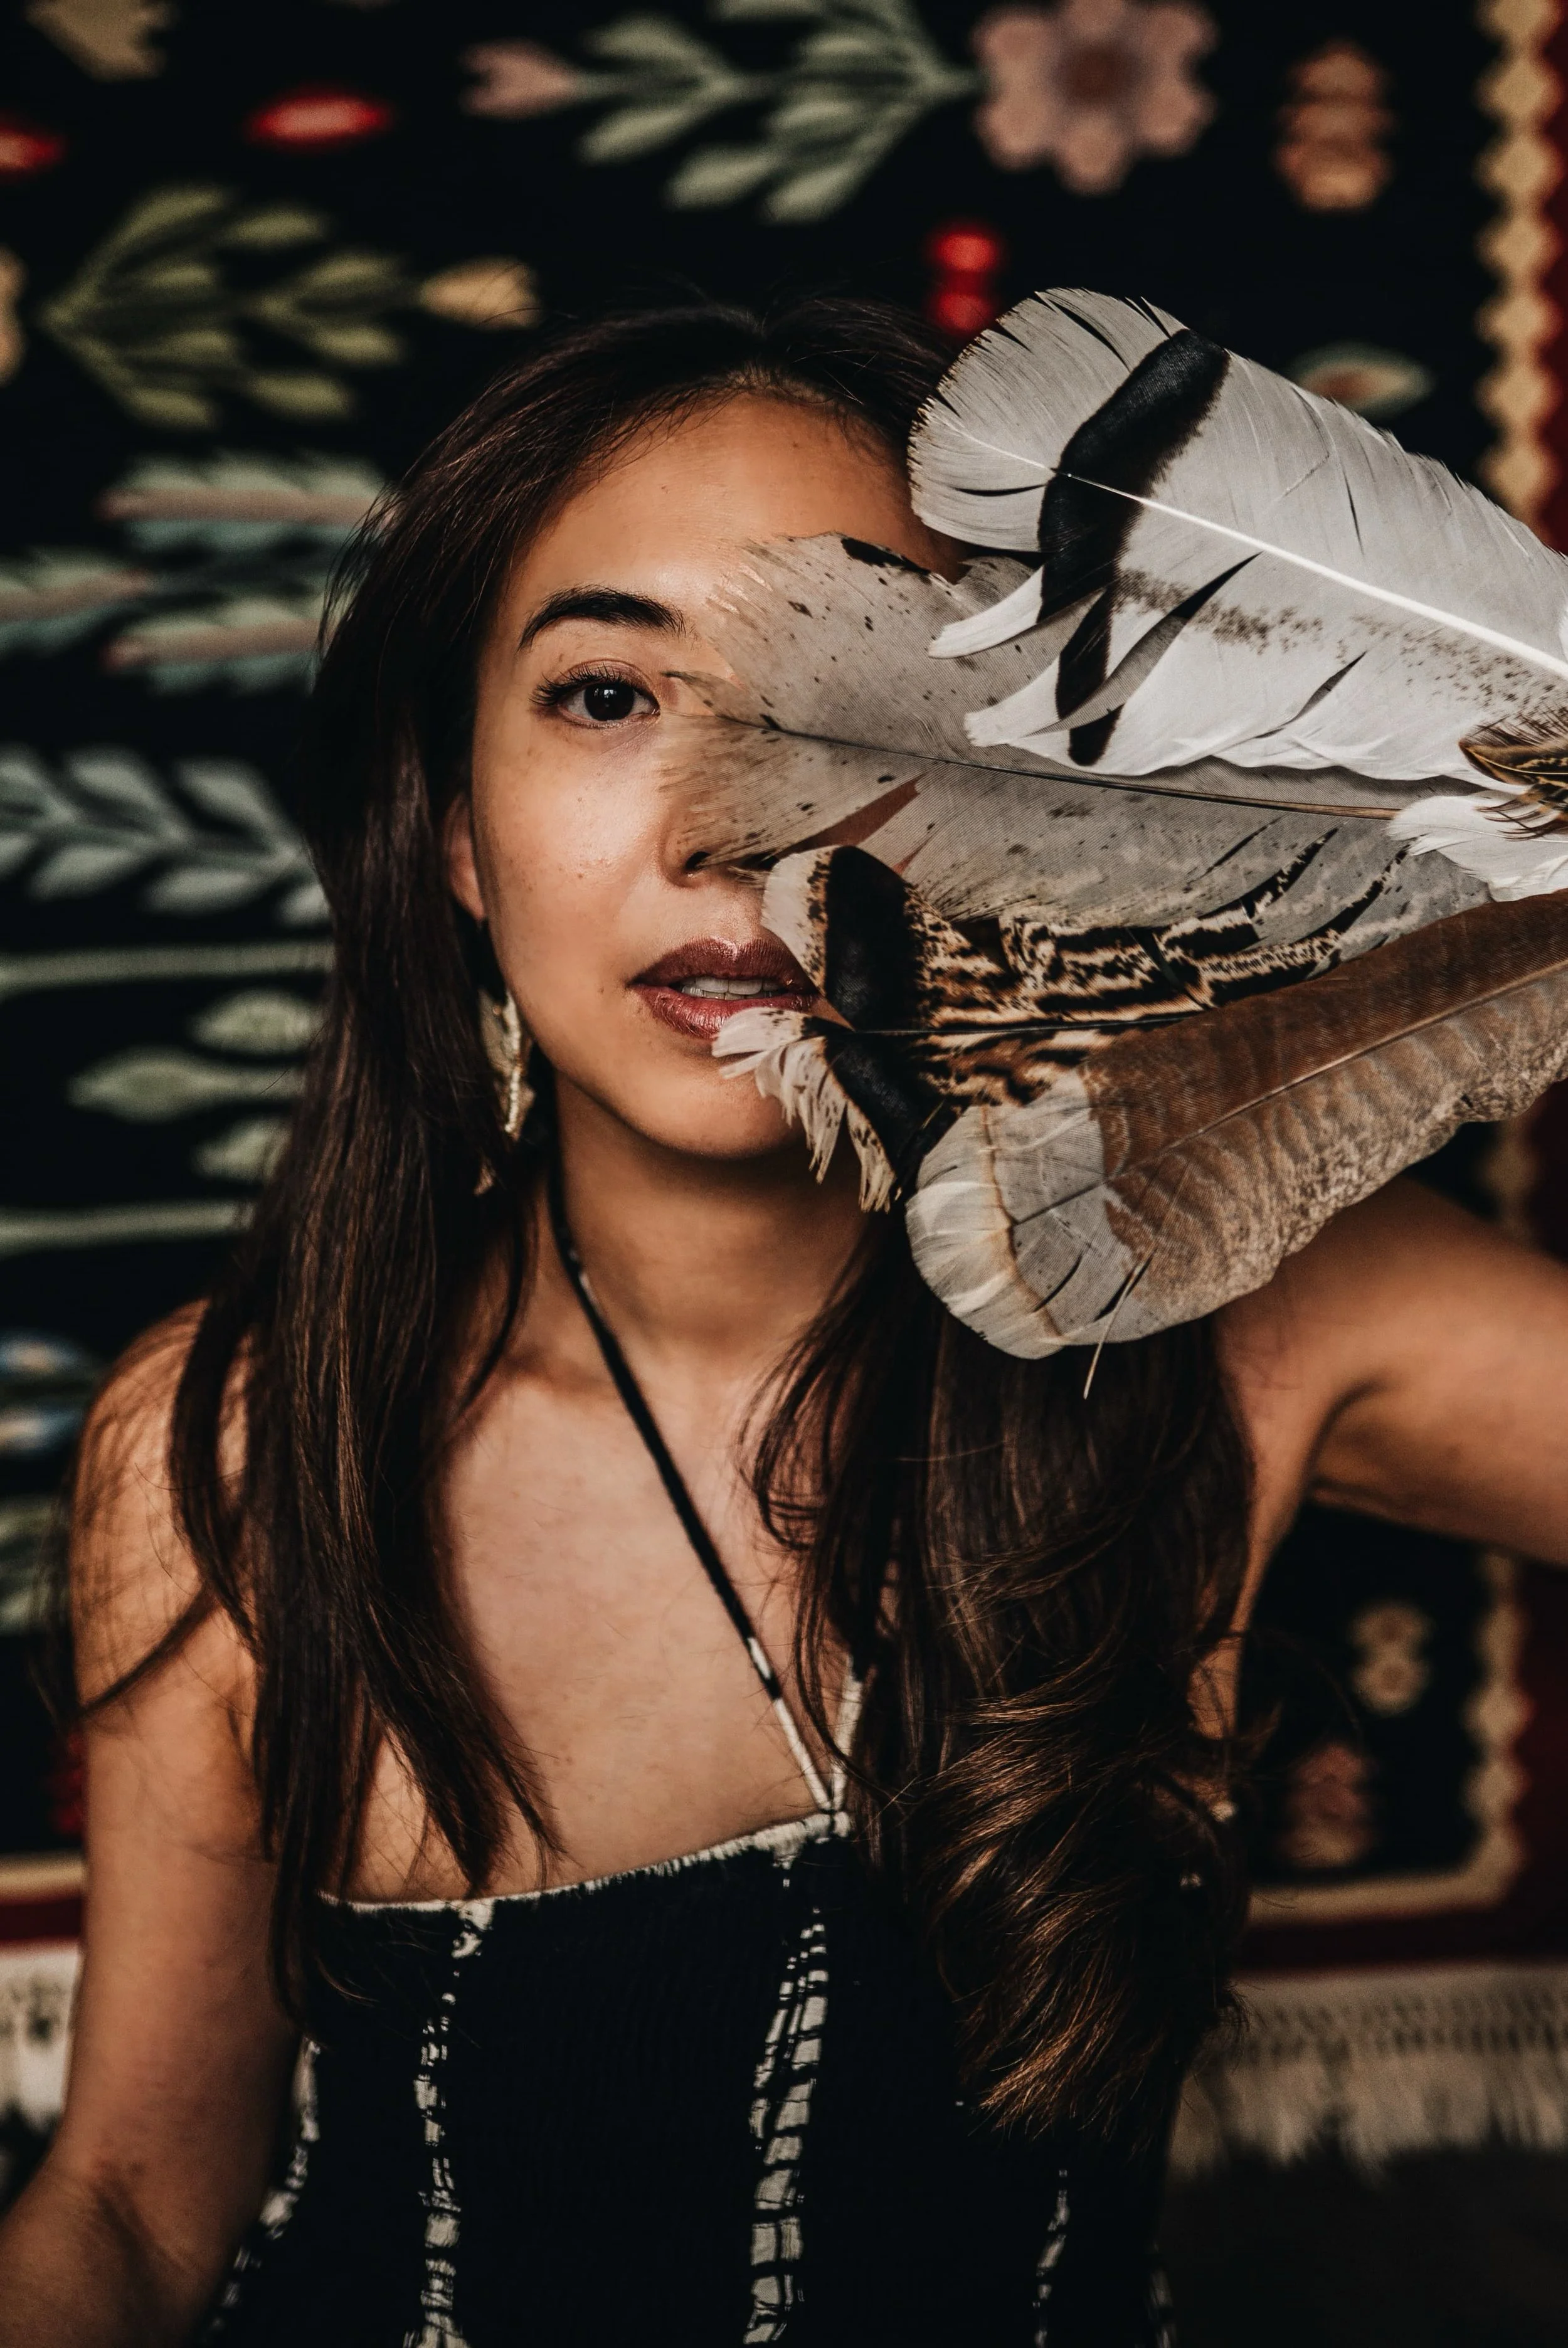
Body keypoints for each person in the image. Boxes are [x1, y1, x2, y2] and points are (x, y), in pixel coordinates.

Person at [3, 297, 1567, 2348]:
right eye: (602, 694)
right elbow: (128, 2204)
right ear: (457, 834)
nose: (728, 817)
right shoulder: (230, 1445)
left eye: (855, 690)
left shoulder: (1250, 1316)